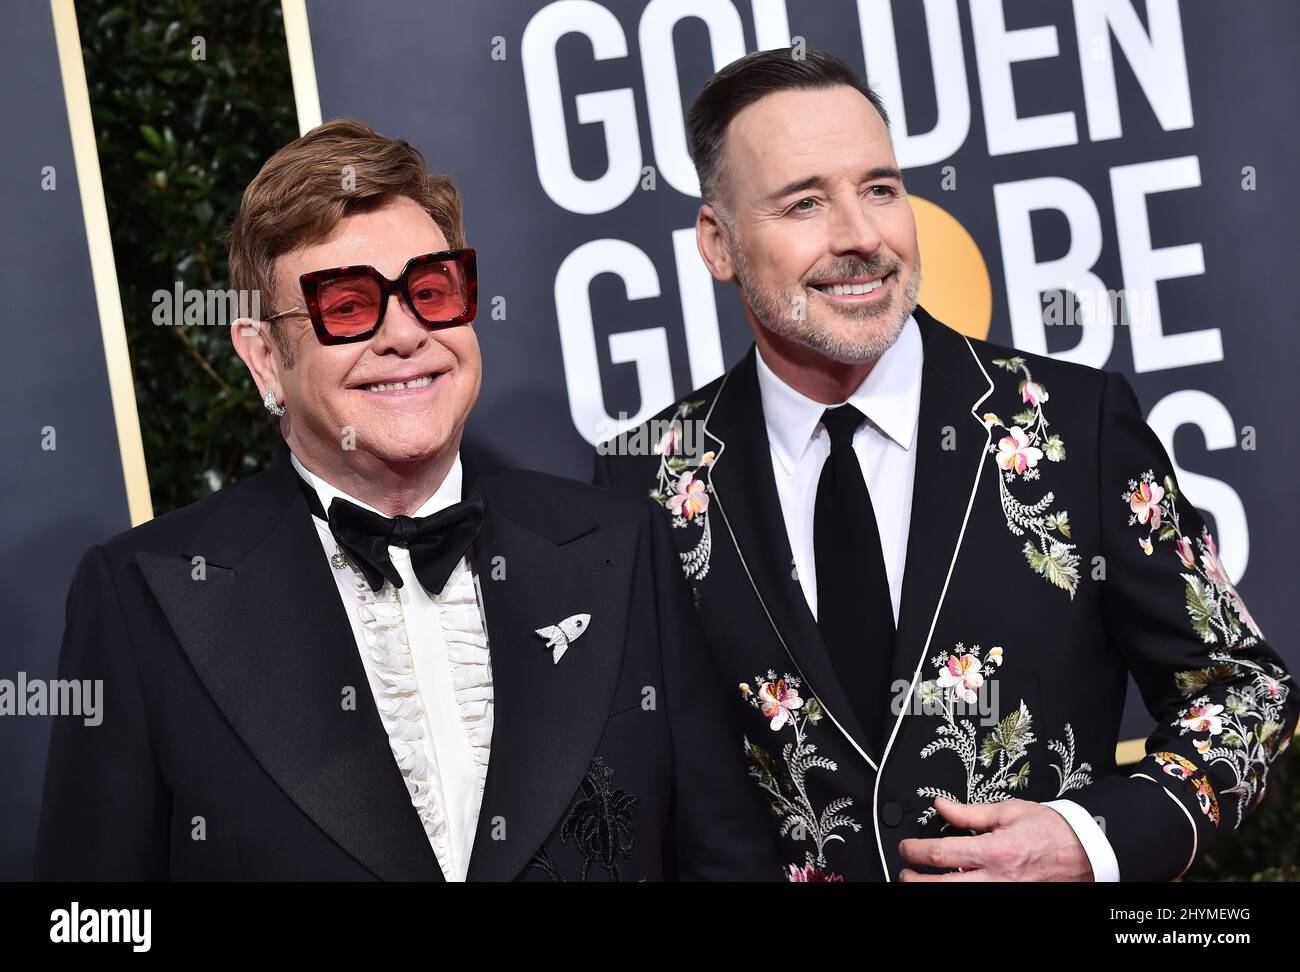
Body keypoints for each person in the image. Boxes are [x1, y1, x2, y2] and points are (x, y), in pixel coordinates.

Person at [593, 49, 1296, 882]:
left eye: (881, 189)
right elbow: (631, 787)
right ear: (719, 243)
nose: (860, 237)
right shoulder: (646, 480)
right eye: (805, 203)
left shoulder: (1073, 426)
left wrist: (1092, 842)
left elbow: (1246, 692)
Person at [36, 119, 778, 882]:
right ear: (264, 357)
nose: (405, 335)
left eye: (430, 290)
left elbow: (728, 865)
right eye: (348, 306)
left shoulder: (621, 547)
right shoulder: (143, 597)